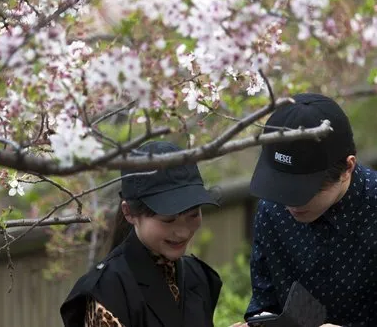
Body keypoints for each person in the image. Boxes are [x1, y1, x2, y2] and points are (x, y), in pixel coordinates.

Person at [243, 93, 377, 326]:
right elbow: (265, 299)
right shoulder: (271, 209)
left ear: (347, 168)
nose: (288, 203)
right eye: (279, 186)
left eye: (302, 192)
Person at [60, 140, 222, 327]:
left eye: (193, 215)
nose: (183, 231)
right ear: (129, 212)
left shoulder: (197, 275)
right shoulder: (108, 289)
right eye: (168, 220)